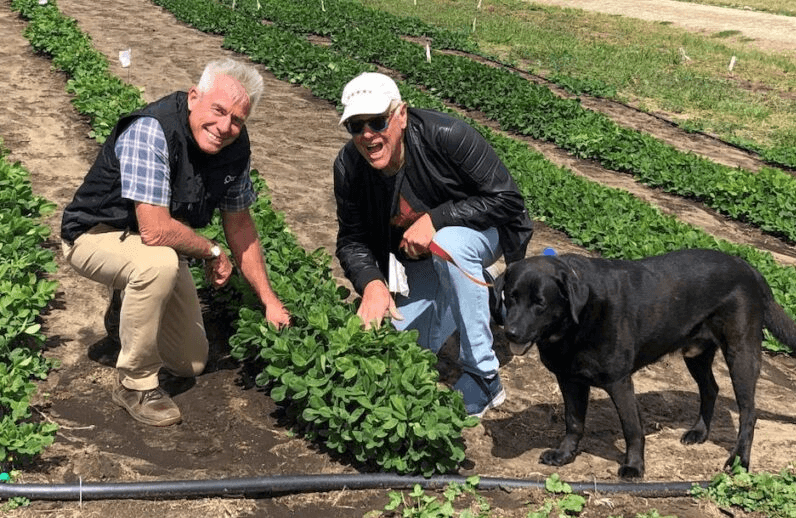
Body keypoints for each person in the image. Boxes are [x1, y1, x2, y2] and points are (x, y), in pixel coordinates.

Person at [60, 58, 291, 427]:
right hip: (96, 235)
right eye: (218, 110)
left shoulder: (235, 148)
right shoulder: (152, 129)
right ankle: (135, 383)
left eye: (237, 119)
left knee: (190, 363)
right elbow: (153, 230)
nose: (225, 127)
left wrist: (270, 300)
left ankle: (128, 304)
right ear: (194, 96)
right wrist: (211, 251)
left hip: (156, 246)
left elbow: (241, 225)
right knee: (158, 265)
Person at [333, 72, 533, 418]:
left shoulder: (447, 135)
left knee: (449, 243)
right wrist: (373, 284)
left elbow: (508, 199)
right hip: (421, 257)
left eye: (378, 121)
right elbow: (352, 239)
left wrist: (438, 218)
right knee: (395, 352)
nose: (368, 135)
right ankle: (478, 294)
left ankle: (483, 375)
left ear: (401, 115)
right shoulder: (349, 166)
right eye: (356, 125)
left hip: (483, 233)